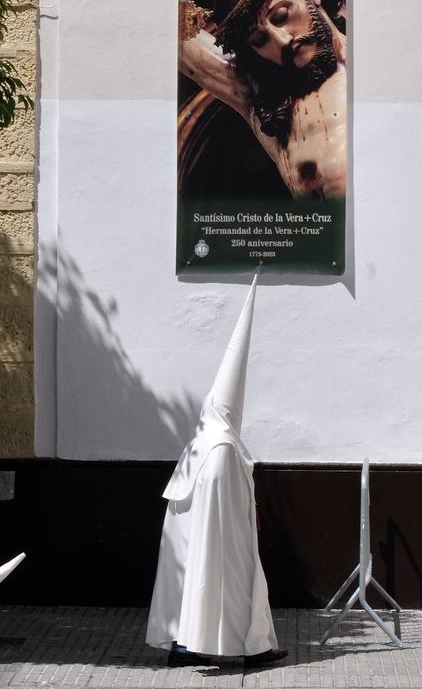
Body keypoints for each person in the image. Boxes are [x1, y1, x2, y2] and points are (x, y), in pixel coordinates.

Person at [146, 277, 286, 667]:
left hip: (195, 533)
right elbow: (227, 510)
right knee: (233, 581)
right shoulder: (222, 446)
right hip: (222, 536)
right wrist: (247, 528)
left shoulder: (201, 438)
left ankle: (183, 647)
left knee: (189, 582)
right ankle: (252, 648)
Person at [180, 0, 346, 200]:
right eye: (260, 40)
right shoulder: (266, 104)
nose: (282, 41)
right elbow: (173, 30)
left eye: (280, 16)